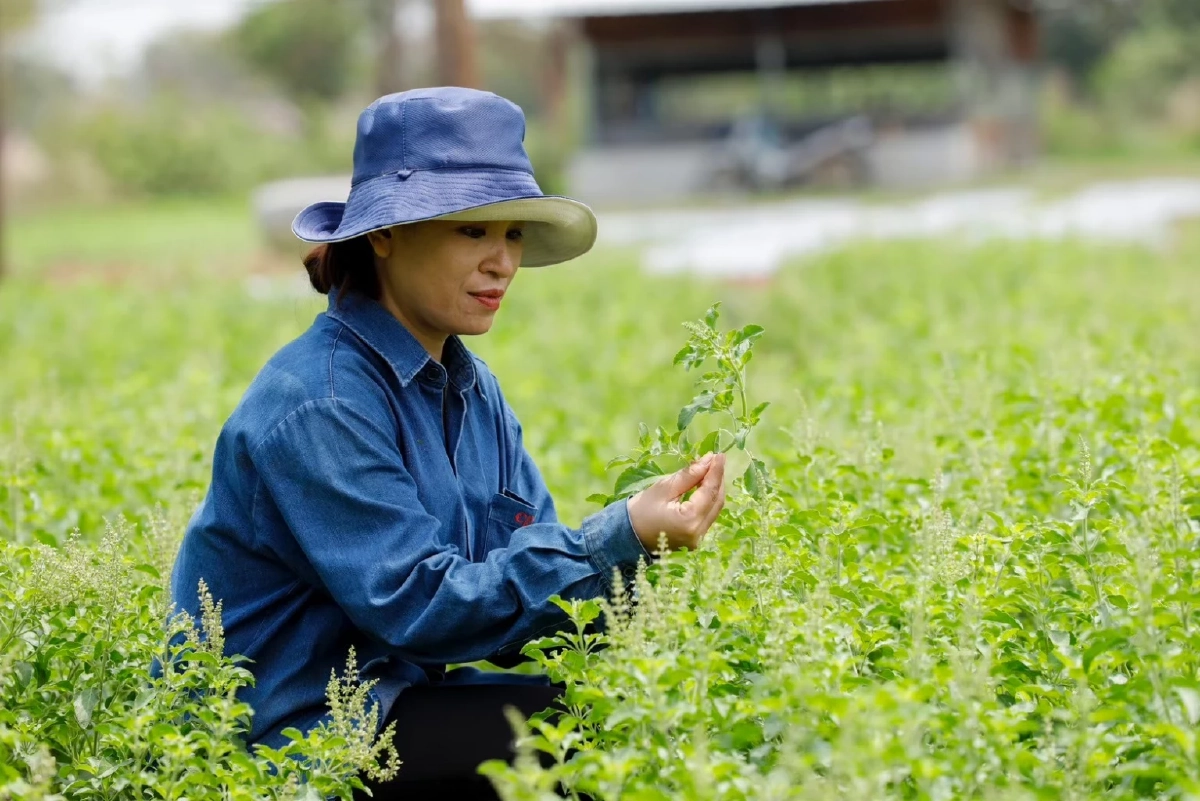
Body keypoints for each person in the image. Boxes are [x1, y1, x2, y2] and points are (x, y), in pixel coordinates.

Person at [167, 87, 727, 800]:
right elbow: (423, 607)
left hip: (399, 695)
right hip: (292, 734)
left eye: (514, 234)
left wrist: (641, 559)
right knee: (570, 734)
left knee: (628, 702)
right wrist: (616, 533)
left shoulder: (473, 390)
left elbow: (525, 608)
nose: (502, 263)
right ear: (383, 234)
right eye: (473, 231)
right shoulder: (323, 401)